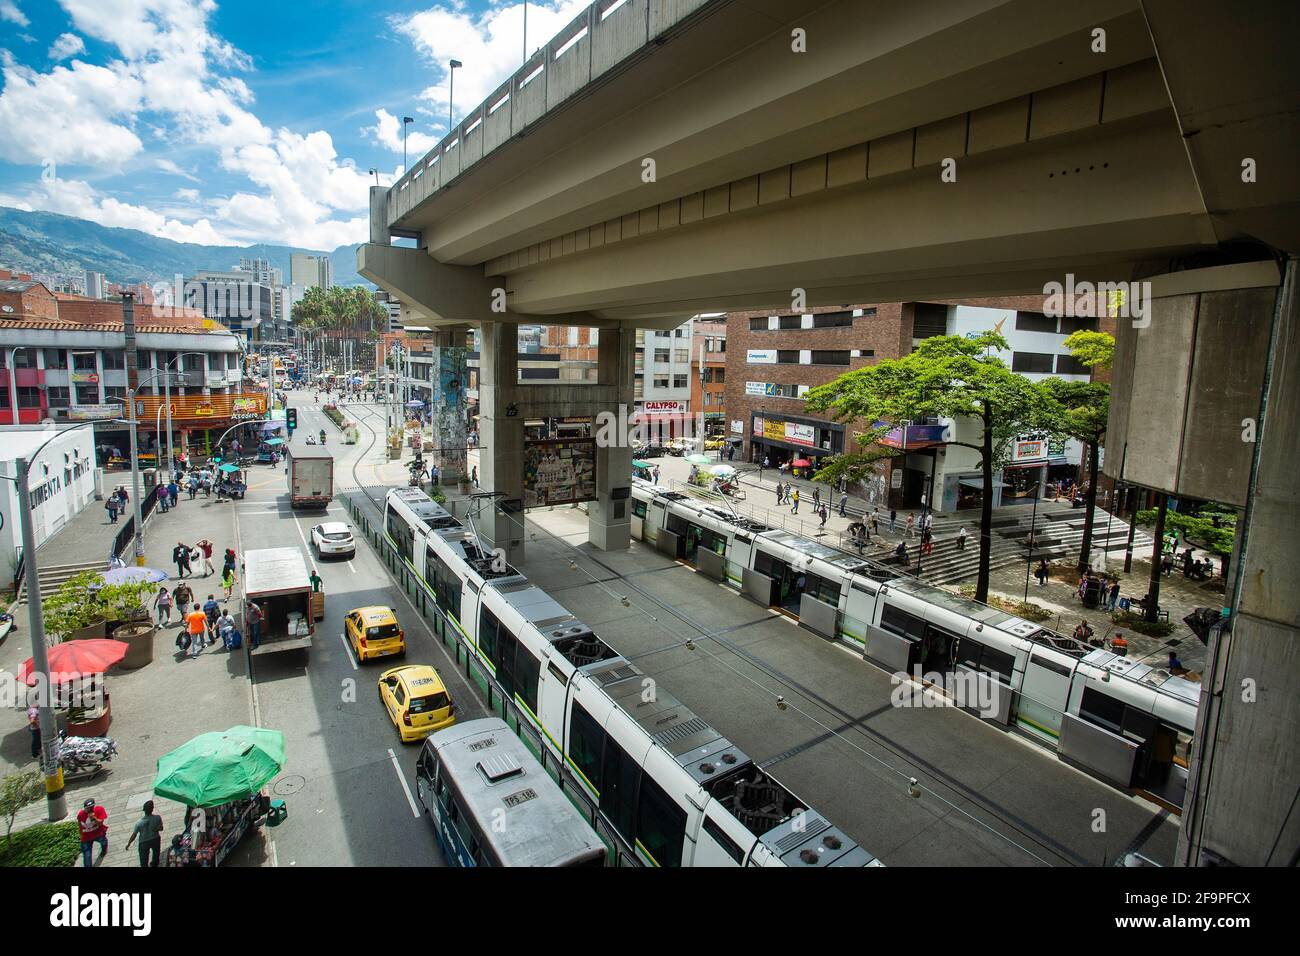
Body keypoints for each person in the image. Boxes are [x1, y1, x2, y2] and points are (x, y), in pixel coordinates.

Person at [125, 801, 164, 868]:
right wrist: (155, 829)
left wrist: (129, 843)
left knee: (143, 861)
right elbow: (161, 828)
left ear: (144, 810)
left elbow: (134, 835)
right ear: (152, 809)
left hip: (144, 842)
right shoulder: (157, 818)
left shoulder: (139, 823)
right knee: (156, 855)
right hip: (155, 839)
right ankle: (154, 864)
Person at [77, 798, 108, 867]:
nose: (90, 809)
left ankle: (104, 851)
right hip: (86, 837)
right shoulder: (81, 814)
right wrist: (81, 834)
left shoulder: (99, 809)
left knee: (104, 842)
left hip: (98, 833)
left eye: (91, 807)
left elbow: (100, 823)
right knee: (87, 856)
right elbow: (79, 824)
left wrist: (94, 818)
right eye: (87, 808)